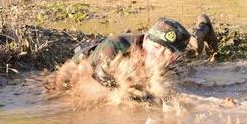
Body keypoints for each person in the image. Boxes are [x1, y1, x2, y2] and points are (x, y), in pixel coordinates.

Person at [72, 15, 217, 90]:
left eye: (167, 52)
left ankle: (204, 25)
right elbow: (105, 85)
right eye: (156, 47)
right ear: (146, 39)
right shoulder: (112, 49)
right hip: (87, 64)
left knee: (195, 48)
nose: (158, 55)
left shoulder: (173, 59)